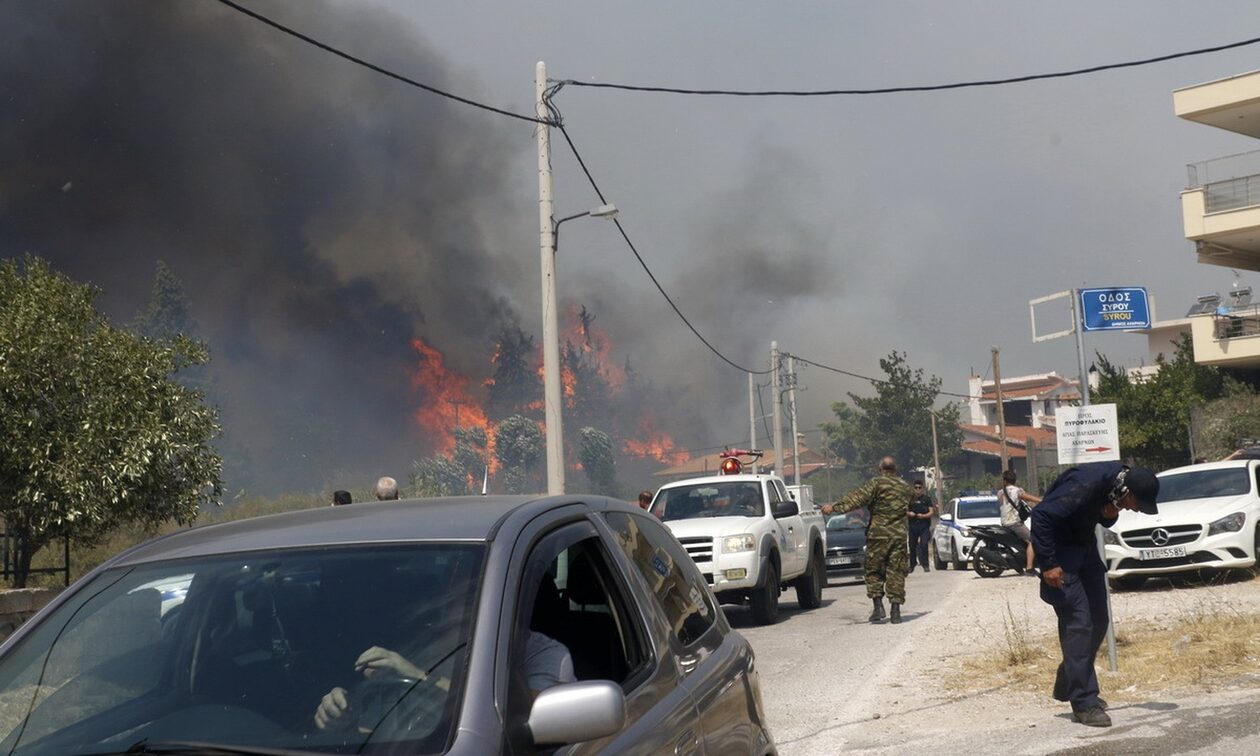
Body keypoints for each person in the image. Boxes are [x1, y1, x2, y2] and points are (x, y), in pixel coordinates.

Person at [1030, 462, 1159, 728]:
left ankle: (1071, 672)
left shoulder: (1115, 485)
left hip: (1084, 550)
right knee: (1078, 625)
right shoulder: (1084, 485)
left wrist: (1110, 514)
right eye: (1136, 503)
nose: (1136, 509)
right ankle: (1084, 703)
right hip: (1061, 555)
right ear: (1127, 490)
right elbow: (1041, 516)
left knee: (1099, 620)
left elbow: (1099, 515)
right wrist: (1049, 564)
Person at [313, 631, 574, 731]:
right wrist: (341, 717)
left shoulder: (545, 653)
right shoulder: (416, 648)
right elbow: (372, 734)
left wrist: (417, 676)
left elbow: (518, 718)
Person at [821, 456, 913, 624]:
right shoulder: (906, 487)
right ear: (895, 469)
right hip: (898, 535)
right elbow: (911, 504)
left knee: (873, 571)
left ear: (881, 469)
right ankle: (896, 611)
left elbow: (856, 499)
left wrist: (833, 508)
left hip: (877, 535)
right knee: (896, 572)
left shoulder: (876, 483)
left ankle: (878, 608)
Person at [998, 469, 1042, 573]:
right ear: (1015, 480)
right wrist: (1041, 501)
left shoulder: (1000, 492)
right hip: (1014, 522)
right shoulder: (1017, 491)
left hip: (1004, 522)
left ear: (1005, 481)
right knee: (1033, 540)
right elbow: (1027, 498)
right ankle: (1030, 567)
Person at [906, 481, 936, 573]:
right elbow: (904, 510)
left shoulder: (926, 499)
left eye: (919, 487)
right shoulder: (910, 499)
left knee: (924, 545)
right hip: (913, 525)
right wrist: (909, 514)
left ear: (922, 489)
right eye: (916, 487)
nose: (918, 489)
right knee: (912, 546)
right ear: (913, 488)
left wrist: (923, 516)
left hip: (924, 525)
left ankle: (925, 564)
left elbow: (931, 512)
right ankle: (912, 564)